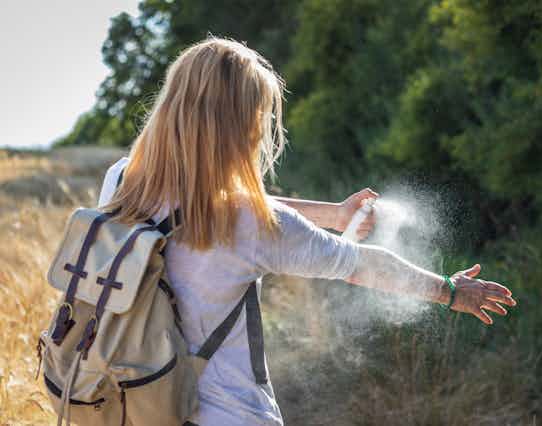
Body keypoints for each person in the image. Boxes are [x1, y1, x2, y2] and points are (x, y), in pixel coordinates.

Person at [99, 37, 516, 426]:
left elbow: (219, 202)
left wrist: (334, 215)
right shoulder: (250, 223)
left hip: (134, 407)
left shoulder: (122, 180)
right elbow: (362, 265)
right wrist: (451, 290)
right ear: (240, 123)